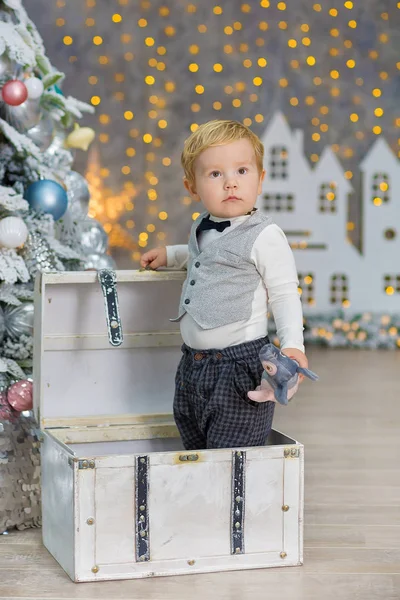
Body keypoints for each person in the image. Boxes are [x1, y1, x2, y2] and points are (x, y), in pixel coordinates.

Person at [141, 119, 308, 450]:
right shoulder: (202, 226)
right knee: (195, 446)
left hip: (237, 367)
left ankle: (234, 502)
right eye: (216, 174)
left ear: (260, 180)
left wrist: (293, 346)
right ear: (193, 187)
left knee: (231, 455)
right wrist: (170, 255)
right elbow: (200, 257)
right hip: (192, 366)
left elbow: (285, 294)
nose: (231, 183)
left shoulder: (265, 235)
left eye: (242, 172)